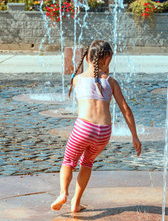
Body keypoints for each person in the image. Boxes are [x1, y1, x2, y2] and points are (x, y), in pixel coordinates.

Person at [51, 40, 142, 212]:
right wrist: (135, 136)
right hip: (104, 132)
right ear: (107, 59)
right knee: (87, 162)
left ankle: (63, 193)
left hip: (84, 128)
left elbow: (88, 79)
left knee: (69, 161)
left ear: (86, 58)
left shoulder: (77, 80)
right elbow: (126, 110)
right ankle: (76, 203)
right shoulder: (111, 82)